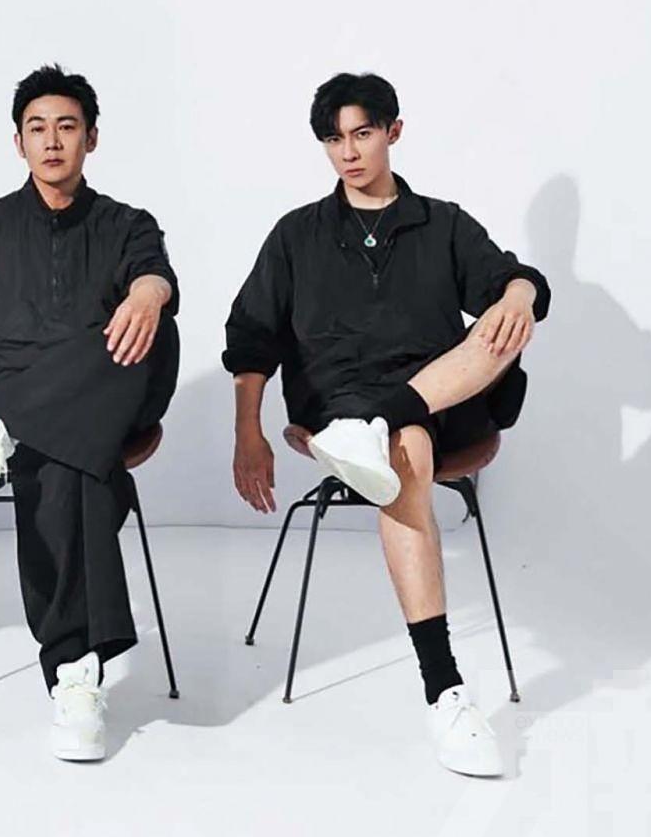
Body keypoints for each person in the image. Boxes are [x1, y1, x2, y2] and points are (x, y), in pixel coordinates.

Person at [223, 72, 550, 777]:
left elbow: (514, 281)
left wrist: (520, 292)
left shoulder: (442, 223)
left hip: (436, 396)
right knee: (407, 456)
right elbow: (251, 339)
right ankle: (445, 690)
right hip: (334, 401)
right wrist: (249, 432)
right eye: (334, 140)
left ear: (393, 131)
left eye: (362, 134)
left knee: (502, 328)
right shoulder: (297, 235)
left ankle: (380, 422)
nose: (348, 152)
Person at [0, 64, 179, 762]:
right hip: (27, 401)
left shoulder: (126, 223)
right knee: (74, 465)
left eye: (67, 126)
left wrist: (148, 293)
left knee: (146, 332)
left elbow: (155, 273)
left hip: (110, 386)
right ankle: (77, 672)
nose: (53, 141)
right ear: (19, 143)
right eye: (38, 128)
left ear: (91, 138)